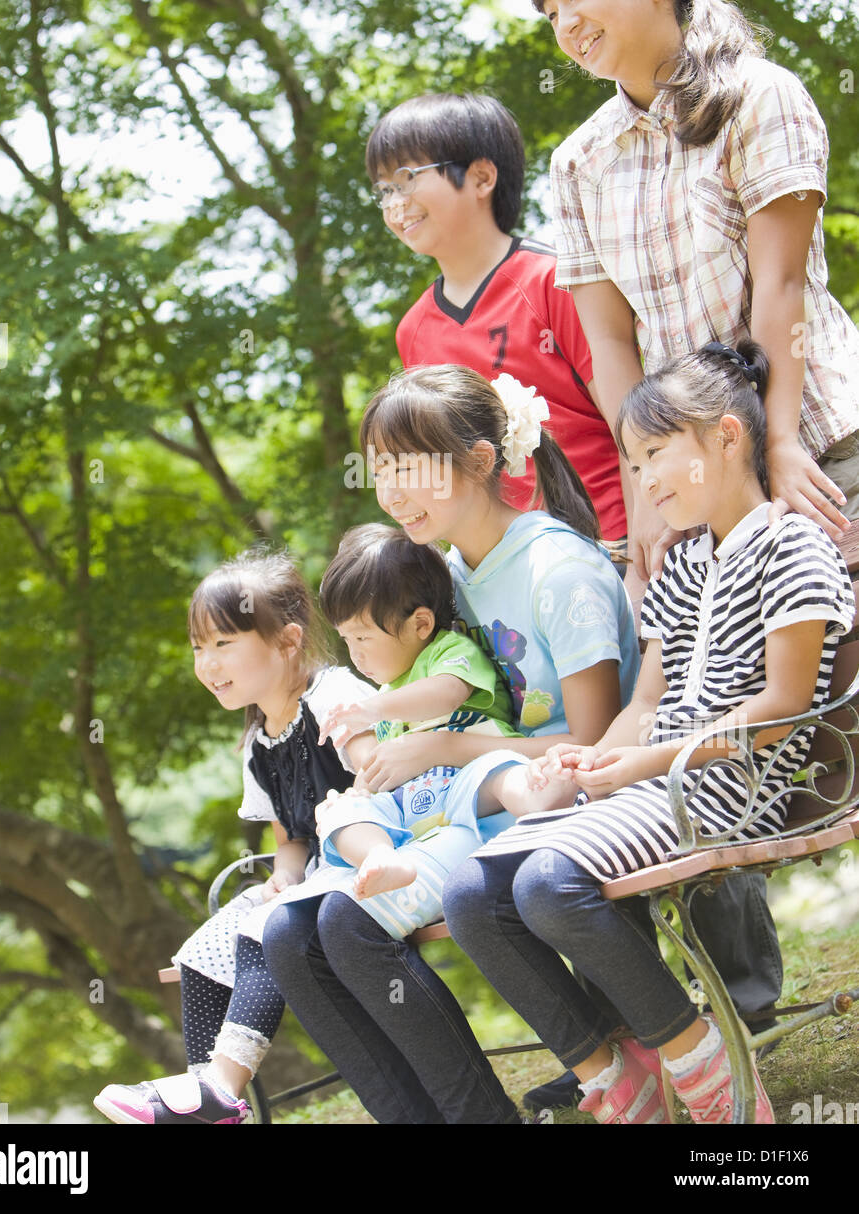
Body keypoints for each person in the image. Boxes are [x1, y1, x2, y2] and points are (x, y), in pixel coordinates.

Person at [443, 341, 855, 1125]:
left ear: (728, 437)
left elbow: (780, 707)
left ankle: (705, 1073)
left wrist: (639, 765)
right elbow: (645, 702)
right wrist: (598, 756)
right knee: (471, 896)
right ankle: (613, 1073)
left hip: (735, 785)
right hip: (660, 778)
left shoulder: (794, 545)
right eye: (634, 463)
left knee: (546, 886)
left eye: (657, 454)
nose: (646, 481)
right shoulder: (681, 565)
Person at [262, 364, 640, 1124]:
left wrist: (441, 751)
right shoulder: (446, 576)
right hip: (476, 808)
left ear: (479, 459)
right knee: (289, 936)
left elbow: (597, 746)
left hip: (564, 796)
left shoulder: (555, 570)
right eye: (381, 473)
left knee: (347, 923)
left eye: (409, 468)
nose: (392, 492)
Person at [532, 0, 859, 584]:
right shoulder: (577, 163)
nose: (565, 24)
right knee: (746, 689)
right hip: (697, 489)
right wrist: (644, 482)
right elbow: (614, 343)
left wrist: (779, 442)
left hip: (818, 444)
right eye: (551, 13)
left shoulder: (759, 97)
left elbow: (782, 285)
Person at [93, 548, 375, 1125]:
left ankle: (221, 1089)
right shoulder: (256, 744)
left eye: (224, 643)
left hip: (371, 854)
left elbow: (383, 781)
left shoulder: (333, 698)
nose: (207, 662)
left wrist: (308, 875)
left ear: (288, 640)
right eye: (199, 647)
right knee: (200, 952)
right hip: (318, 871)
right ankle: (207, 1106)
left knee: (261, 928)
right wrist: (284, 874)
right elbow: (291, 836)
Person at [366, 91, 628, 560]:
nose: (394, 203)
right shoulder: (413, 331)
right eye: (383, 190)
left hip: (607, 546)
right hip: (499, 572)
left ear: (482, 177)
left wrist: (644, 547)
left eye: (406, 179)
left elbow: (633, 423)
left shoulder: (558, 281)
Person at [314, 522, 578, 914]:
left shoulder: (448, 651)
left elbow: (446, 693)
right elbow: (388, 764)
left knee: (499, 770)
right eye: (347, 640)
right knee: (339, 813)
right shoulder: (388, 692)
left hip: (469, 773)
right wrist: (360, 789)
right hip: (418, 804)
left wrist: (374, 709)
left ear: (420, 624)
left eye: (364, 638)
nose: (356, 655)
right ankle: (380, 856)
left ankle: (536, 794)